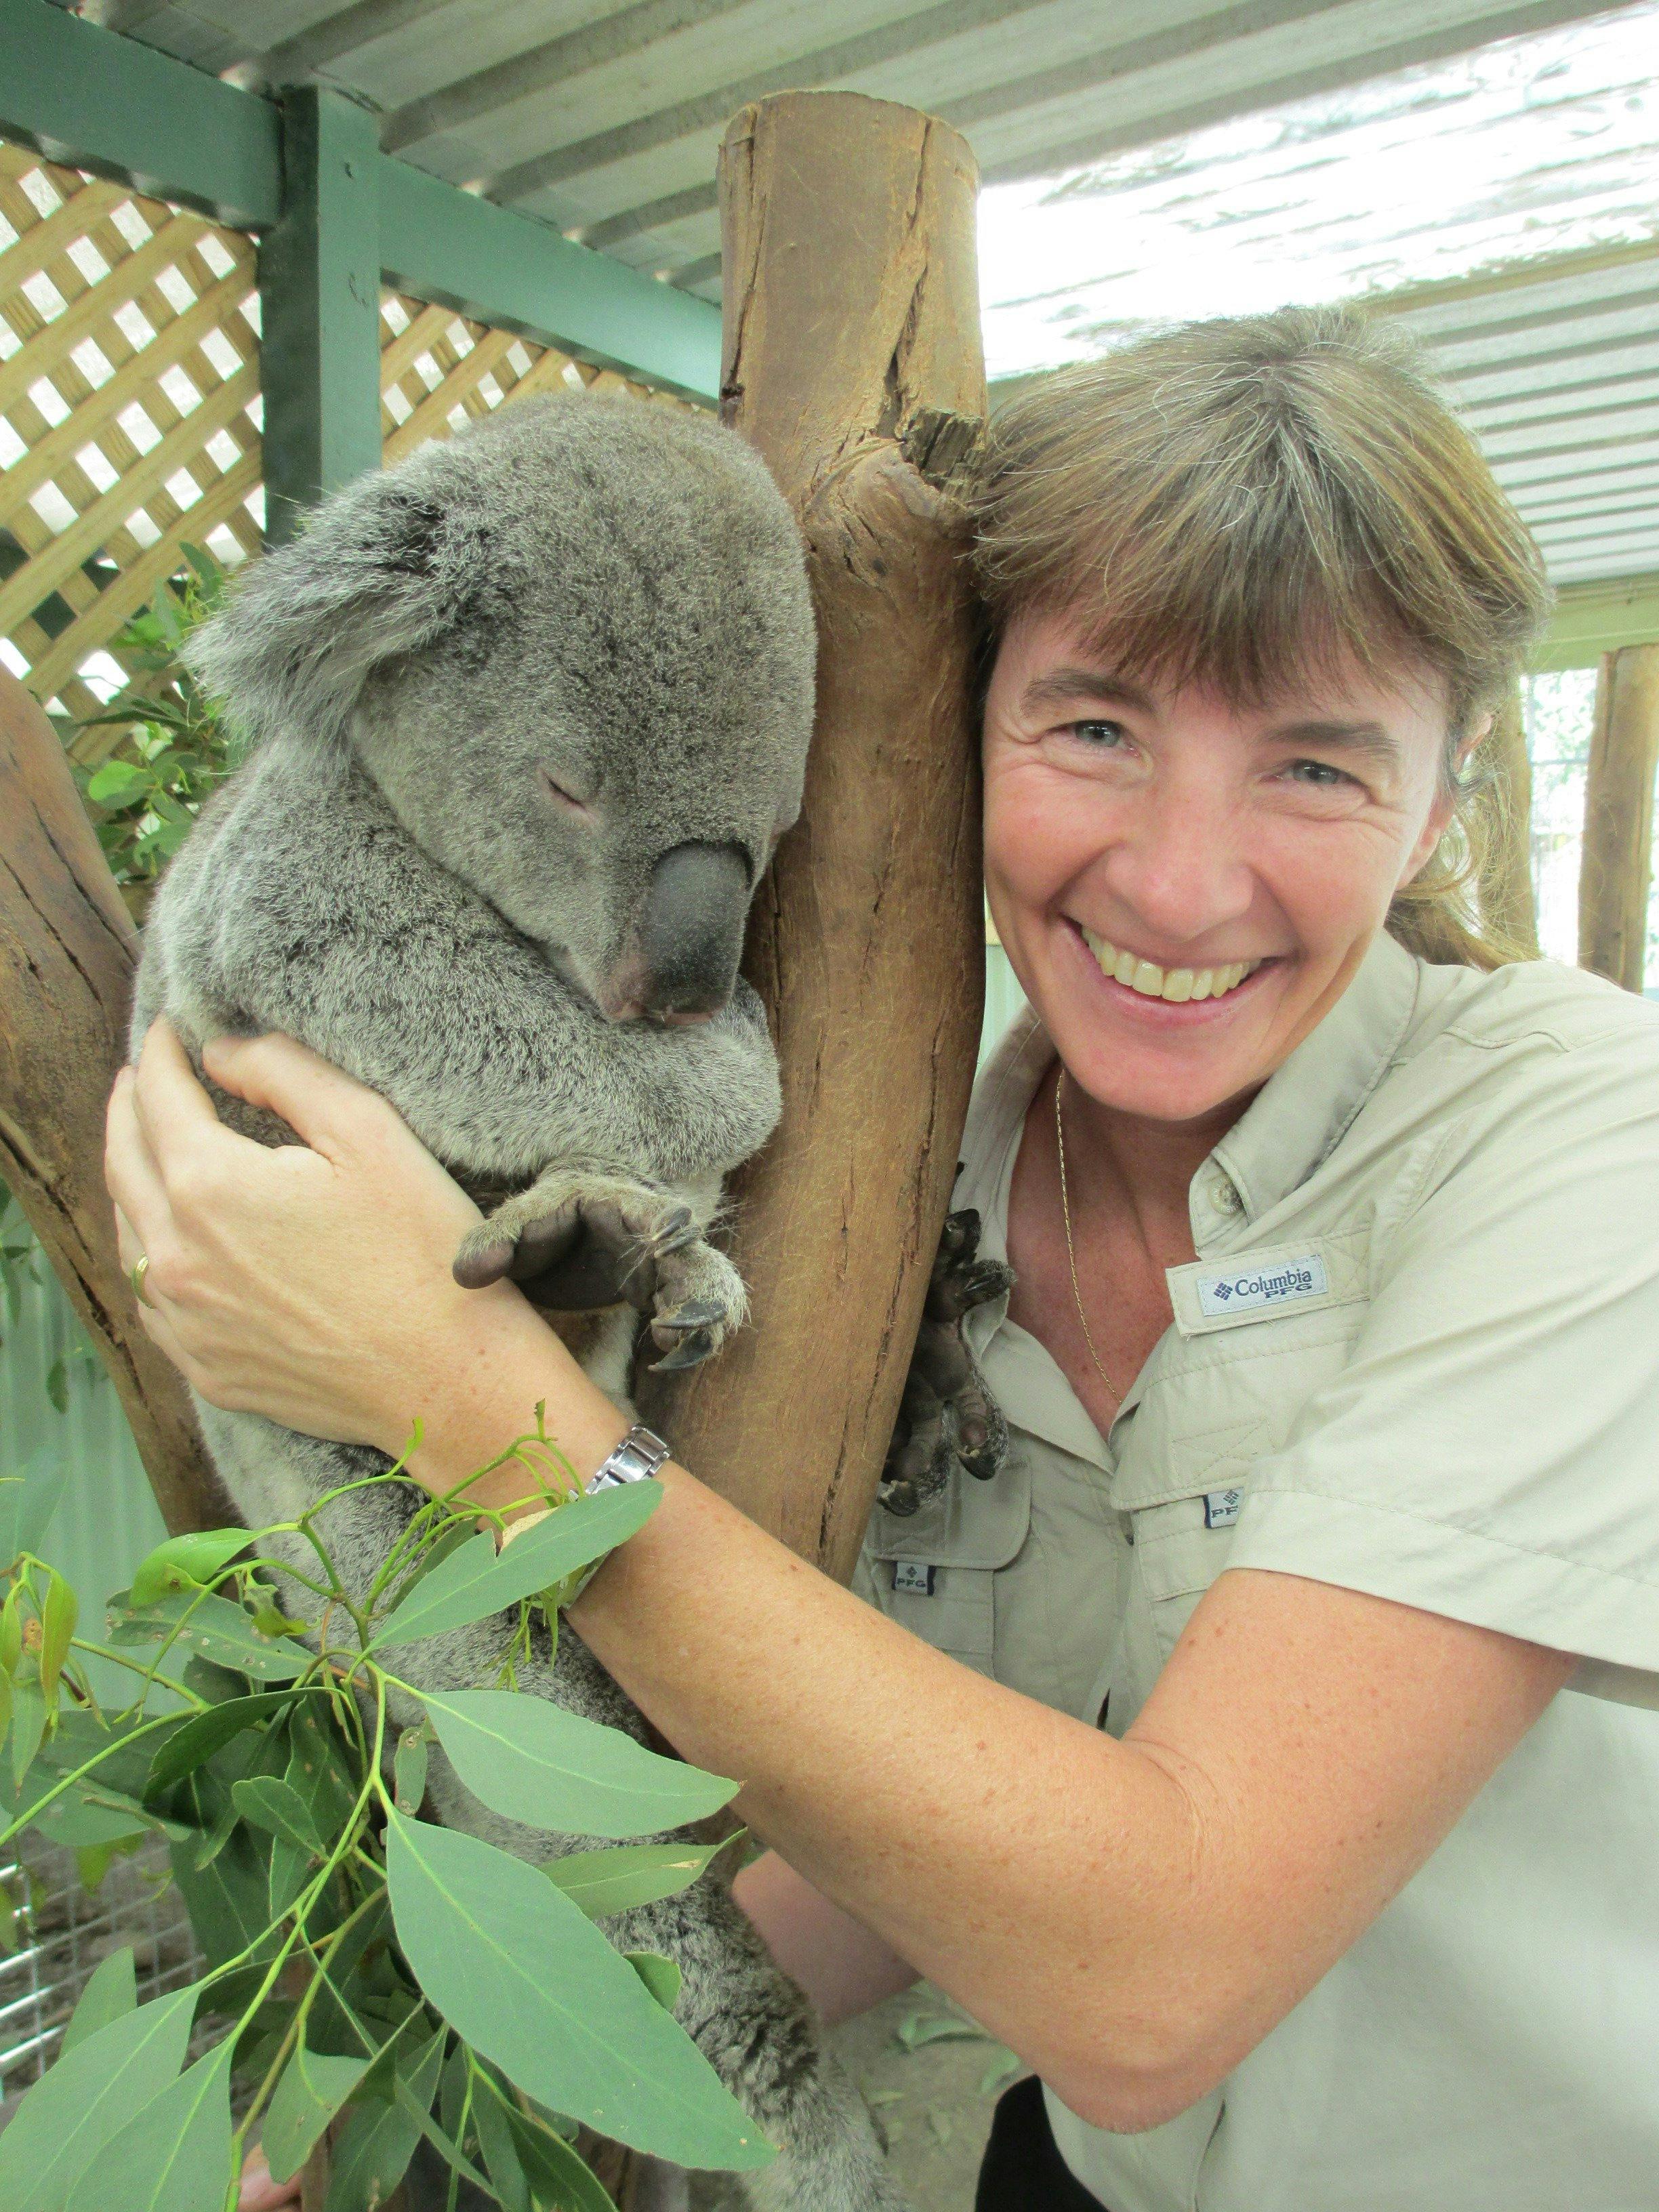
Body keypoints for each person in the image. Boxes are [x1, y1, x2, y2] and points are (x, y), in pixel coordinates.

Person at [108, 308, 1659, 2212]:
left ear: (1448, 788)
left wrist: (456, 1407)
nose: (1180, 883)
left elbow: (1151, 1972)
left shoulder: (1581, 1144)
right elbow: (930, 1835)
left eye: (1319, 771)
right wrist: (461, 2044)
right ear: (955, 731)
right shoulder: (921, 1195)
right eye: (1095, 727)